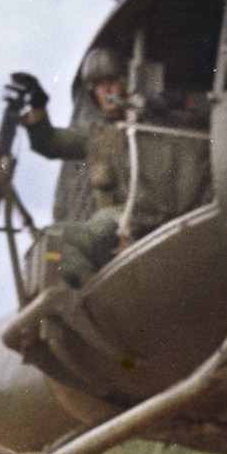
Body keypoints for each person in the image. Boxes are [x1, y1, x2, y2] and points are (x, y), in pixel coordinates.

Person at [19, 52, 135, 289]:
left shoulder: (148, 121)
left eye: (112, 81)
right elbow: (48, 143)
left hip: (147, 211)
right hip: (115, 219)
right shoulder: (94, 134)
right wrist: (37, 106)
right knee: (53, 241)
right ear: (93, 92)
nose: (107, 90)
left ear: (125, 83)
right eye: (100, 85)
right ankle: (87, 288)